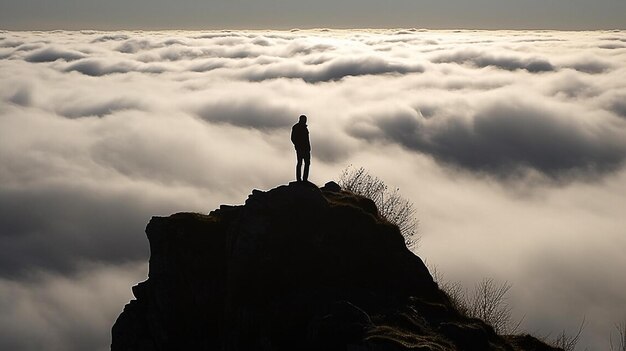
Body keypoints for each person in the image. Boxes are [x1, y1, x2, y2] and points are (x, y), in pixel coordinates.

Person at [291, 115, 311, 182]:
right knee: (300, 163)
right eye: (304, 119)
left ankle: (304, 179)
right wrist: (297, 146)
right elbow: (293, 138)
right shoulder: (296, 127)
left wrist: (308, 147)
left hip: (306, 149)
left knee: (306, 163)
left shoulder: (304, 128)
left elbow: (307, 139)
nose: (305, 121)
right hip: (300, 149)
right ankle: (299, 179)